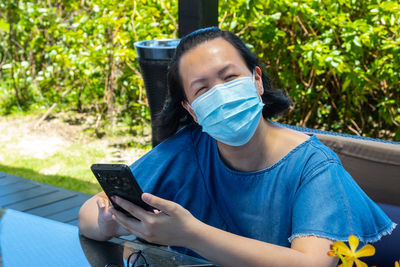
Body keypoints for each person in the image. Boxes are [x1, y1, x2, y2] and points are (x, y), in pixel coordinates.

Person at [78, 27, 396, 266]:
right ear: (190, 109)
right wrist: (109, 221)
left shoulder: (312, 167)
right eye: (202, 89)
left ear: (256, 81)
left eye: (229, 77)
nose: (221, 93)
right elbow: (88, 215)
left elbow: (311, 264)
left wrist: (190, 233)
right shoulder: (187, 150)